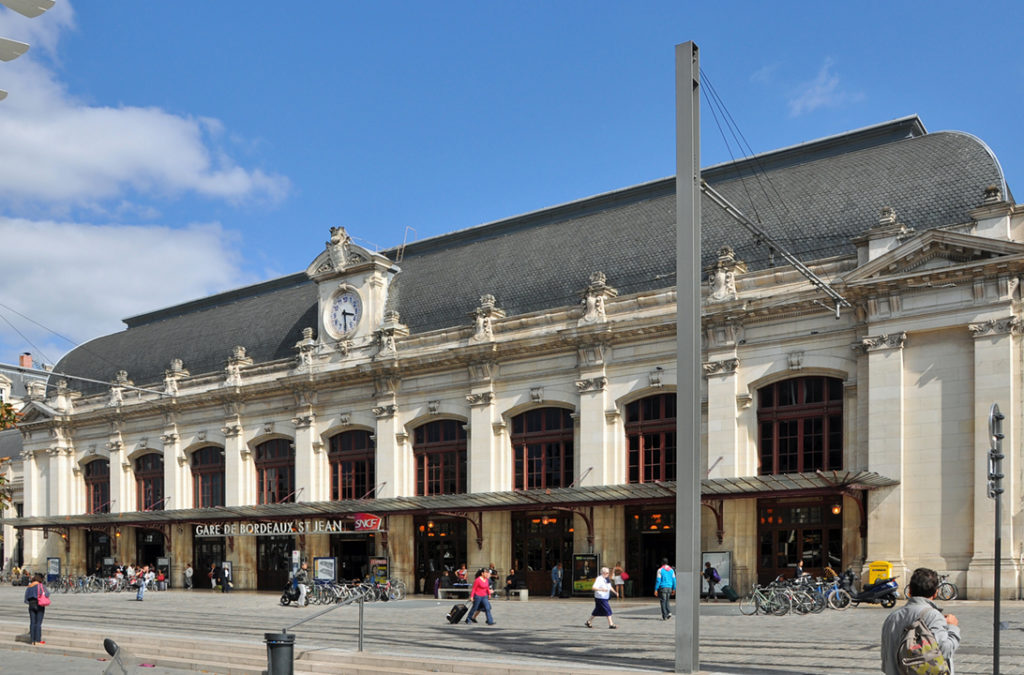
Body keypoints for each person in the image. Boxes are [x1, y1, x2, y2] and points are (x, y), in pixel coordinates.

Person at [880, 567, 960, 675]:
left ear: (910, 591)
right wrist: (952, 627)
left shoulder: (892, 617)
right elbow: (944, 651)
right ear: (936, 593)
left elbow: (886, 658)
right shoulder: (933, 616)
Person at [24, 573, 48, 645]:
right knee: (38, 623)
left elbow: (26, 599)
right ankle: (38, 640)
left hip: (31, 605)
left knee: (32, 622)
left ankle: (32, 640)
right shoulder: (40, 585)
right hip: (39, 605)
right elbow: (47, 594)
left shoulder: (29, 586)